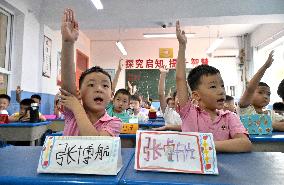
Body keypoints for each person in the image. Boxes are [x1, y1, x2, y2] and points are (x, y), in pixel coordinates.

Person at [175, 20, 251, 153]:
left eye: (222, 85)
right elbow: (180, 79)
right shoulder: (189, 112)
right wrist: (182, 46)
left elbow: (245, 144)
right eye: (213, 87)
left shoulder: (229, 117)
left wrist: (207, 144)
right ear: (196, 95)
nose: (221, 91)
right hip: (192, 170)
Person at [59, 8, 122, 136]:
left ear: (111, 95)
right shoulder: (71, 112)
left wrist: (77, 107)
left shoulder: (113, 122)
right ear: (79, 93)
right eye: (91, 84)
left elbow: (96, 145)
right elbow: (67, 81)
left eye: (105, 86)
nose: (99, 89)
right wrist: (68, 42)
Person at [237, 50, 284, 131]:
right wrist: (265, 67)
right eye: (260, 92)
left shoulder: (271, 114)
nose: (265, 96)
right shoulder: (244, 109)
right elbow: (250, 89)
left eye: (268, 94)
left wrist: (270, 124)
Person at [153, 67, 182, 131]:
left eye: (183, 96)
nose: (180, 99)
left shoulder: (190, 112)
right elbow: (161, 94)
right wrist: (163, 74)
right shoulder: (169, 112)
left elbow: (187, 127)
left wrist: (168, 126)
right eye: (178, 97)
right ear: (174, 99)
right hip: (169, 139)